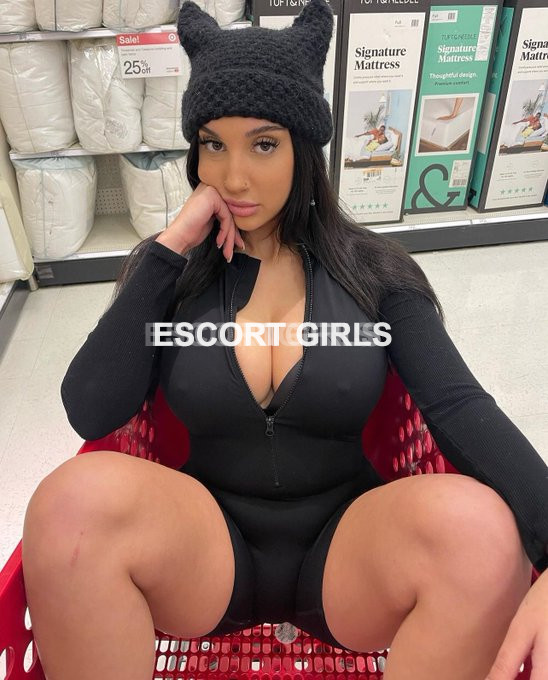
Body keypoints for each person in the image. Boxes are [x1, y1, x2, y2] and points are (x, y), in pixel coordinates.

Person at [21, 0, 548, 678]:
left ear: (304, 147)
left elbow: (458, 406)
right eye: (213, 144)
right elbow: (91, 409)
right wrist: (170, 246)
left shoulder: (375, 274)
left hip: (347, 554)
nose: (233, 177)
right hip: (207, 550)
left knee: (482, 531)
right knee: (68, 505)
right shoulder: (173, 276)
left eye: (263, 144)